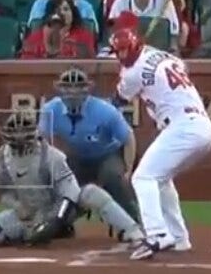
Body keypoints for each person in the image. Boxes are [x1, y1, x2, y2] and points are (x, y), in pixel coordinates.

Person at [0, 110, 147, 249]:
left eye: (24, 135)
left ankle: (132, 230)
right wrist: (18, 207)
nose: (20, 140)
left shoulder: (52, 156)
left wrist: (55, 221)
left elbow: (70, 193)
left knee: (91, 193)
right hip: (27, 212)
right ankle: (32, 232)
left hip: (56, 206)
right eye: (15, 136)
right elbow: (3, 192)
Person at [109, 26, 211, 260]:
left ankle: (157, 234)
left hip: (182, 126)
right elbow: (177, 69)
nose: (122, 56)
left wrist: (123, 74)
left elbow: (120, 97)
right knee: (161, 179)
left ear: (135, 46)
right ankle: (179, 238)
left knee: (143, 177)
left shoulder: (131, 74)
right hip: (201, 126)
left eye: (126, 51)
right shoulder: (166, 56)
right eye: (119, 52)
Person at [39, 66, 139, 227]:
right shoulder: (50, 109)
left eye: (78, 87)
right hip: (77, 155)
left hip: (107, 154)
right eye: (67, 87)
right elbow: (43, 140)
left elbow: (128, 138)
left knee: (113, 176)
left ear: (87, 89)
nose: (72, 92)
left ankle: (134, 221)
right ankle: (60, 223)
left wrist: (128, 169)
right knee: (61, 182)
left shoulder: (105, 111)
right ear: (59, 88)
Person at [19, 7, 96, 59]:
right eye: (51, 25)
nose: (55, 29)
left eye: (60, 25)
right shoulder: (32, 44)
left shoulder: (80, 47)